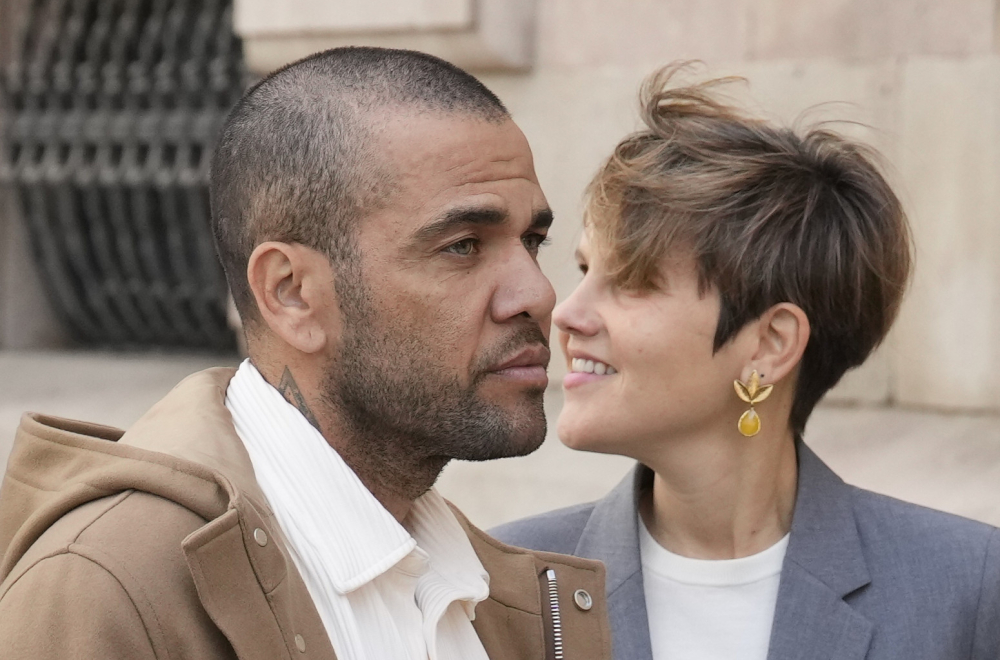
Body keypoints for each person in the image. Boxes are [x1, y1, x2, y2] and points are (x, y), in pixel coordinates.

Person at [0, 48, 612, 660]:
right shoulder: (112, 587)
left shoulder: (498, 589)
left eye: (532, 240)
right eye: (463, 246)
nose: (539, 294)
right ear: (291, 293)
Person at [493, 65, 1000, 660]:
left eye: (632, 282)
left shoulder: (967, 589)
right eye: (585, 270)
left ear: (770, 344)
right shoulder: (503, 590)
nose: (565, 313)